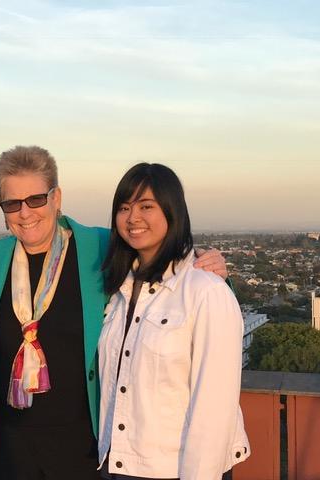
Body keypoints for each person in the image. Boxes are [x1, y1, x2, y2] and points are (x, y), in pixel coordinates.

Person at [0, 146, 229, 480]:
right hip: (9, 446)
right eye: (12, 203)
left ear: (56, 198)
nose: (25, 213)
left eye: (36, 199)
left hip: (82, 445)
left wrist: (213, 268)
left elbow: (167, 262)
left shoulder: (99, 246)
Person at [97, 163, 250, 480]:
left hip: (176, 469)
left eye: (146, 206)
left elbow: (215, 406)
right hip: (117, 463)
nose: (133, 218)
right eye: (124, 208)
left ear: (172, 211)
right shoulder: (119, 292)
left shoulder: (206, 291)